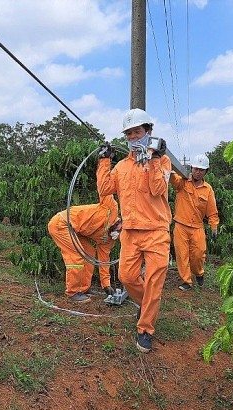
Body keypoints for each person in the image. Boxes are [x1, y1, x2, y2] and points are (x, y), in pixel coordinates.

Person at [97, 108, 172, 353]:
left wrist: (152, 160)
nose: (132, 137)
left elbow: (158, 190)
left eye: (136, 132)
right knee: (127, 277)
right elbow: (105, 189)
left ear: (148, 131)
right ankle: (146, 305)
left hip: (157, 231)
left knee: (153, 282)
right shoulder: (121, 166)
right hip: (130, 231)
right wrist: (104, 160)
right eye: (128, 134)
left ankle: (145, 329)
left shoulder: (162, 160)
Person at [47, 194, 121, 303]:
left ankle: (82, 289)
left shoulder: (109, 239)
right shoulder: (111, 208)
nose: (119, 233)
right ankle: (72, 292)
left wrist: (106, 284)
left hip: (75, 230)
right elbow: (105, 188)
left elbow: (103, 260)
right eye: (121, 230)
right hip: (62, 224)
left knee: (89, 252)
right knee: (77, 255)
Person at [170, 154, 219, 291]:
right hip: (180, 225)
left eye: (201, 170)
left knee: (198, 254)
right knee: (182, 255)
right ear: (191, 168)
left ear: (206, 172)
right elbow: (173, 180)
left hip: (197, 227)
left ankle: (199, 273)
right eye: (196, 169)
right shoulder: (183, 181)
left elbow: (212, 210)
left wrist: (214, 226)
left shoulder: (208, 189)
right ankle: (186, 281)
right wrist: (171, 168)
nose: (198, 172)